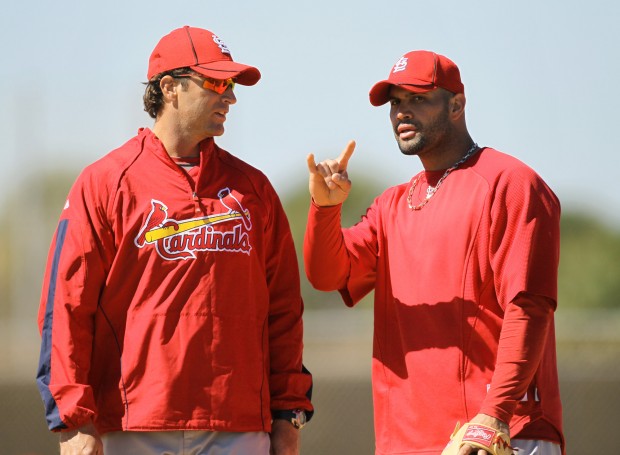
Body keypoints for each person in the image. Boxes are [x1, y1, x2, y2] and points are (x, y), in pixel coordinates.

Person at [36, 25, 313, 455]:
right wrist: (73, 419)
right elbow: (67, 307)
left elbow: (284, 311)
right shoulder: (106, 182)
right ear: (170, 88)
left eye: (233, 84)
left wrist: (288, 414)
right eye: (217, 83)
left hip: (238, 424)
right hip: (134, 423)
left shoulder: (253, 190)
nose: (231, 97)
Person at [304, 50, 564, 454]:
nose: (402, 113)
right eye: (395, 102)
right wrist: (324, 210)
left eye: (418, 99)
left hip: (498, 434)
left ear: (456, 104)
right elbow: (327, 275)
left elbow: (529, 306)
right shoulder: (392, 204)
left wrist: (494, 414)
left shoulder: (511, 183)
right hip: (407, 441)